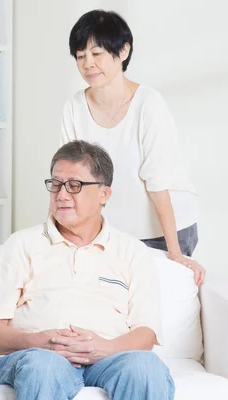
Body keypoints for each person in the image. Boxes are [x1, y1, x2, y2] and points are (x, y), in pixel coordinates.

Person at [0, 140, 174, 400]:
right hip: (37, 357)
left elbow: (146, 333)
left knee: (147, 368)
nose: (61, 194)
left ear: (104, 194)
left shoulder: (132, 251)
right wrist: (39, 342)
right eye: (56, 184)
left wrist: (104, 348)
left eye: (74, 185)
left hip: (108, 359)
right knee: (44, 367)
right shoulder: (22, 244)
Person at [61, 10, 205, 285]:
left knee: (156, 311)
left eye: (97, 53)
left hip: (165, 231)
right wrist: (56, 239)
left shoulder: (148, 104)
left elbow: (157, 181)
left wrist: (175, 252)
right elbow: (66, 177)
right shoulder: (74, 107)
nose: (88, 63)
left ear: (123, 51)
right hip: (114, 232)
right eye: (81, 56)